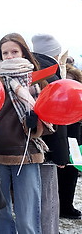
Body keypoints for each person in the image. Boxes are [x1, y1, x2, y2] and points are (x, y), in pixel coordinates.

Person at [0, 33, 54, 234]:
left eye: (14, 51)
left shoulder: (36, 82)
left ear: (24, 52)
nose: (10, 56)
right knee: (1, 214)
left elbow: (51, 121)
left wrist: (36, 124)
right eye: (5, 53)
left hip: (27, 155)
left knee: (27, 217)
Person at [31, 33, 70, 232]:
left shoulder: (29, 72)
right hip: (47, 152)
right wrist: (62, 154)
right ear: (54, 55)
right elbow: (58, 121)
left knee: (34, 202)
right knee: (48, 200)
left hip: (28, 149)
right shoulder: (52, 77)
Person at [57, 63, 82, 219]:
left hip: (75, 139)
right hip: (61, 137)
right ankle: (60, 206)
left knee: (71, 173)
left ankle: (67, 205)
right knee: (60, 173)